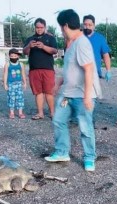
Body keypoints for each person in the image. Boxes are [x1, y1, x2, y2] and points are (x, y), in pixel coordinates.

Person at [45, 9, 102, 172]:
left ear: (65, 25)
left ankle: (89, 157)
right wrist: (58, 83)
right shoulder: (71, 44)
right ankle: (62, 152)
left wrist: (87, 97)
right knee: (58, 120)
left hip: (81, 95)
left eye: (61, 28)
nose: (62, 32)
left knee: (85, 127)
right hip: (67, 93)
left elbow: (89, 69)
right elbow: (71, 69)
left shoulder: (82, 43)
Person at [23, 18, 57, 120]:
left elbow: (55, 50)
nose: (39, 29)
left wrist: (43, 46)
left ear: (45, 27)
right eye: (37, 27)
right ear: (35, 27)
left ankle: (52, 113)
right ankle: (40, 113)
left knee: (49, 92)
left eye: (41, 27)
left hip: (48, 69)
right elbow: (24, 52)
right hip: (34, 69)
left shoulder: (50, 38)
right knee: (38, 92)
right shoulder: (30, 39)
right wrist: (29, 46)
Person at [83, 14, 112, 82]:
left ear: (94, 26)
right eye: (85, 24)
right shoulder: (78, 37)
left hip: (95, 75)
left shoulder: (100, 38)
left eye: (90, 25)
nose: (87, 27)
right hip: (80, 75)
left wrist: (108, 70)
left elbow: (106, 55)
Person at [3, 48, 27, 119]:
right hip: (11, 84)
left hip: (19, 84)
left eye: (15, 56)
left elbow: (23, 73)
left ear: (18, 56)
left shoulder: (21, 64)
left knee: (20, 98)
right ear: (9, 56)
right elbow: (5, 74)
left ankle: (20, 113)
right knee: (11, 98)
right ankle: (12, 113)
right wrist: (5, 84)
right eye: (12, 56)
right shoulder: (7, 64)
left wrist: (25, 83)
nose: (13, 57)